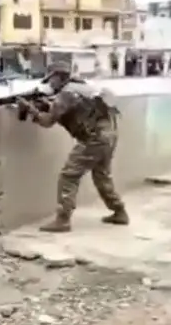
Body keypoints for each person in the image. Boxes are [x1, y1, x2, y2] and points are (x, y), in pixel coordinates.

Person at [17, 62, 129, 232]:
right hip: (109, 134)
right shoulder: (82, 86)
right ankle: (119, 211)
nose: (50, 84)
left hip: (94, 138)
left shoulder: (66, 94)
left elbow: (47, 122)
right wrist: (47, 105)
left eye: (51, 79)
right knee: (102, 176)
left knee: (68, 176)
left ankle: (63, 219)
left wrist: (31, 110)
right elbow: (76, 109)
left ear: (59, 77)